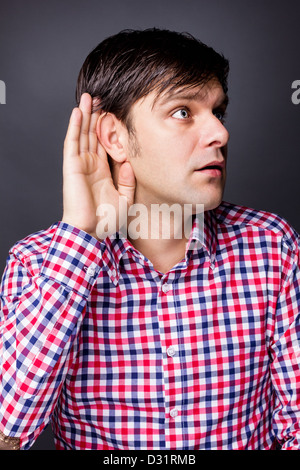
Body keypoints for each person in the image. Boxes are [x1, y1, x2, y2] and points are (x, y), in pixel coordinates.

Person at [0, 28, 299, 451]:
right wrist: (80, 236)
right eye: (183, 112)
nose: (220, 134)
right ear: (115, 137)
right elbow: (7, 434)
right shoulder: (36, 265)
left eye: (218, 112)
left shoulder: (271, 248)